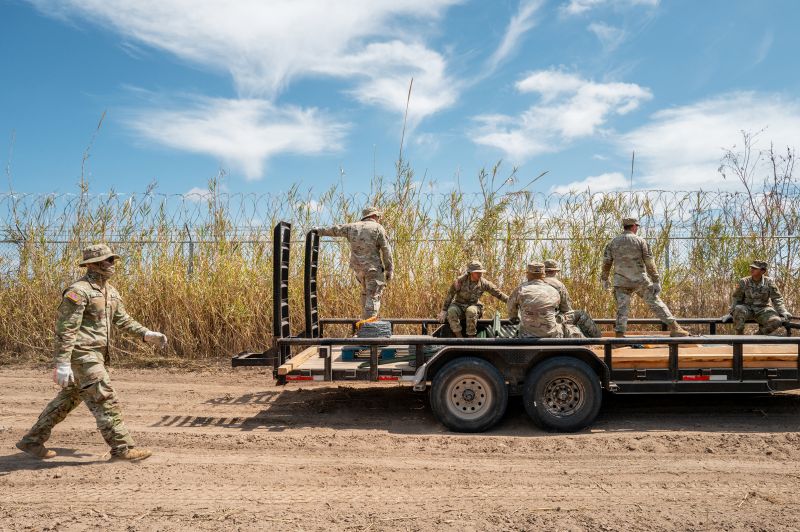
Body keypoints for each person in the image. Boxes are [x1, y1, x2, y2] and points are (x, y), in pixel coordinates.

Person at [16, 244, 168, 461]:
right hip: (82, 355)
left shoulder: (110, 291)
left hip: (96, 355)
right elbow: (66, 329)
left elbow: (122, 319)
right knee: (105, 398)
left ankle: (32, 441)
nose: (112, 265)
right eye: (108, 261)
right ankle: (122, 448)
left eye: (113, 260)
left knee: (68, 399)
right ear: (93, 264)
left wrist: (146, 334)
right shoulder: (78, 292)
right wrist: (62, 363)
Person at [601, 217, 689, 338]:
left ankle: (620, 335)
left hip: (621, 281)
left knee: (622, 308)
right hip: (639, 281)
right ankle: (675, 328)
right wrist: (656, 280)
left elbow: (607, 262)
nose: (637, 228)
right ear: (633, 226)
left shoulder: (613, 242)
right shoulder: (640, 241)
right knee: (655, 302)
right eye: (636, 226)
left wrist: (605, 279)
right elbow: (649, 262)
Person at [316, 206, 394, 319]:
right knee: (373, 297)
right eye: (378, 216)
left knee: (366, 294)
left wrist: (318, 231)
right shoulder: (378, 228)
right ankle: (368, 329)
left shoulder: (352, 227)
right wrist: (389, 270)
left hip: (358, 270)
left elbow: (334, 230)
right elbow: (386, 250)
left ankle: (365, 322)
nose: (379, 218)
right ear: (374, 216)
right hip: (373, 269)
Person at [439, 260, 508, 337]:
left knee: (471, 311)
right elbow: (450, 295)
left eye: (481, 272)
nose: (480, 274)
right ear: (471, 272)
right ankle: (459, 338)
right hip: (459, 304)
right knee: (452, 311)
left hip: (474, 305)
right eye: (477, 272)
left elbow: (498, 294)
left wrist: (511, 301)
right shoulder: (460, 281)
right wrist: (444, 310)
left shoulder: (484, 283)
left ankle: (471, 338)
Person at [721, 260, 791, 335]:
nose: (751, 270)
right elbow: (736, 298)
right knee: (738, 308)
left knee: (777, 321)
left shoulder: (769, 282)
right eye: (751, 267)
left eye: (755, 268)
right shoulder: (744, 281)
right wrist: (731, 313)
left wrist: (783, 311)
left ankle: (756, 337)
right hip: (747, 309)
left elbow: (777, 298)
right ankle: (739, 338)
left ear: (762, 271)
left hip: (763, 310)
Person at [543, 259, 602, 338]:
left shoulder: (532, 284)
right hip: (553, 319)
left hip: (531, 320)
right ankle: (598, 339)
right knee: (581, 314)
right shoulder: (558, 285)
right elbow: (566, 309)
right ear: (555, 272)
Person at [507, 262, 566, 338]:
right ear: (543, 275)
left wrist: (514, 318)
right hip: (551, 335)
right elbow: (561, 309)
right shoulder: (553, 291)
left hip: (526, 336)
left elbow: (511, 308)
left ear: (528, 275)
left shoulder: (520, 289)